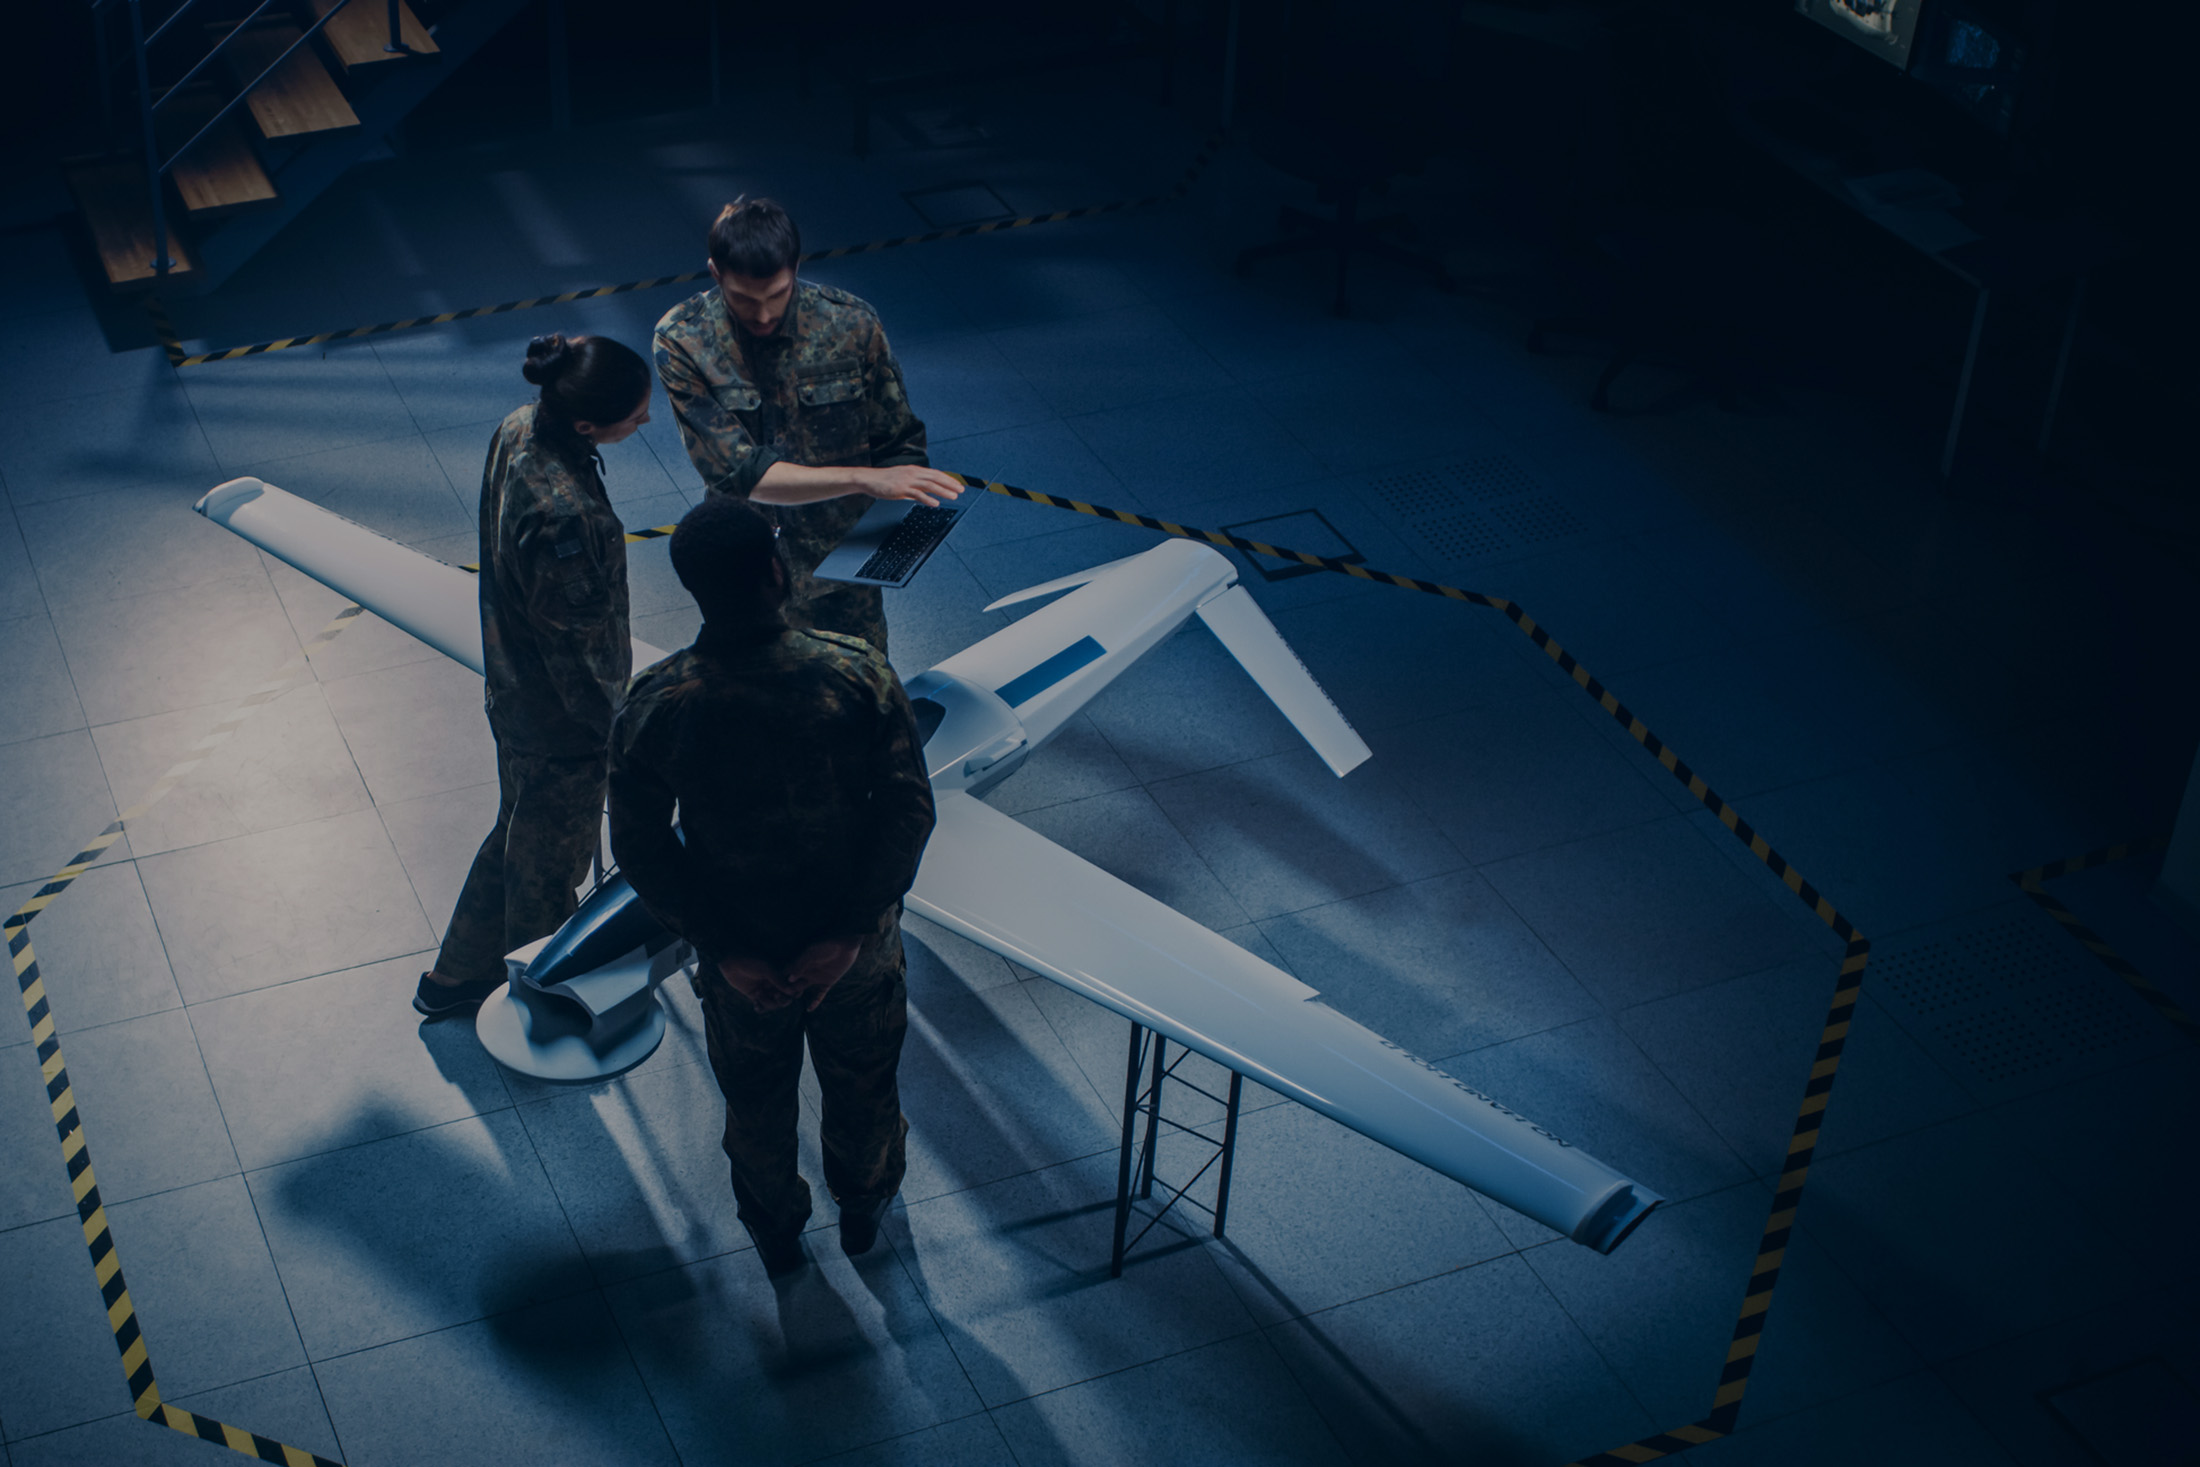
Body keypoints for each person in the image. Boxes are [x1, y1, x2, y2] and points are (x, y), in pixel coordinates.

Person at [607, 494, 936, 1273]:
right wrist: (850, 931)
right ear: (776, 573)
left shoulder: (657, 703)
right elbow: (907, 813)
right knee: (862, 1088)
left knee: (755, 1105)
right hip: (853, 950)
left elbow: (641, 846)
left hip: (742, 957)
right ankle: (863, 1210)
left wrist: (721, 947)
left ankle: (776, 1231)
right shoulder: (856, 673)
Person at [415, 333, 653, 1017]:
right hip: (561, 727)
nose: (644, 421)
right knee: (550, 872)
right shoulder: (563, 517)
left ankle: (456, 975)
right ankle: (538, 1003)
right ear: (586, 425)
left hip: (515, 693)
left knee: (519, 832)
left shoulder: (522, 426)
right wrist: (620, 736)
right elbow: (580, 656)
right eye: (633, 414)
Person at [652, 195, 965, 657]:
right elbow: (742, 475)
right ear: (715, 273)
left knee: (858, 692)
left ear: (796, 266)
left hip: (844, 567)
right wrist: (864, 479)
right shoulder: (683, 340)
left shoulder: (851, 323)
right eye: (743, 299)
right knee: (761, 703)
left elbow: (898, 440)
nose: (762, 316)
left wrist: (890, 538)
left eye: (776, 295)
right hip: (748, 574)